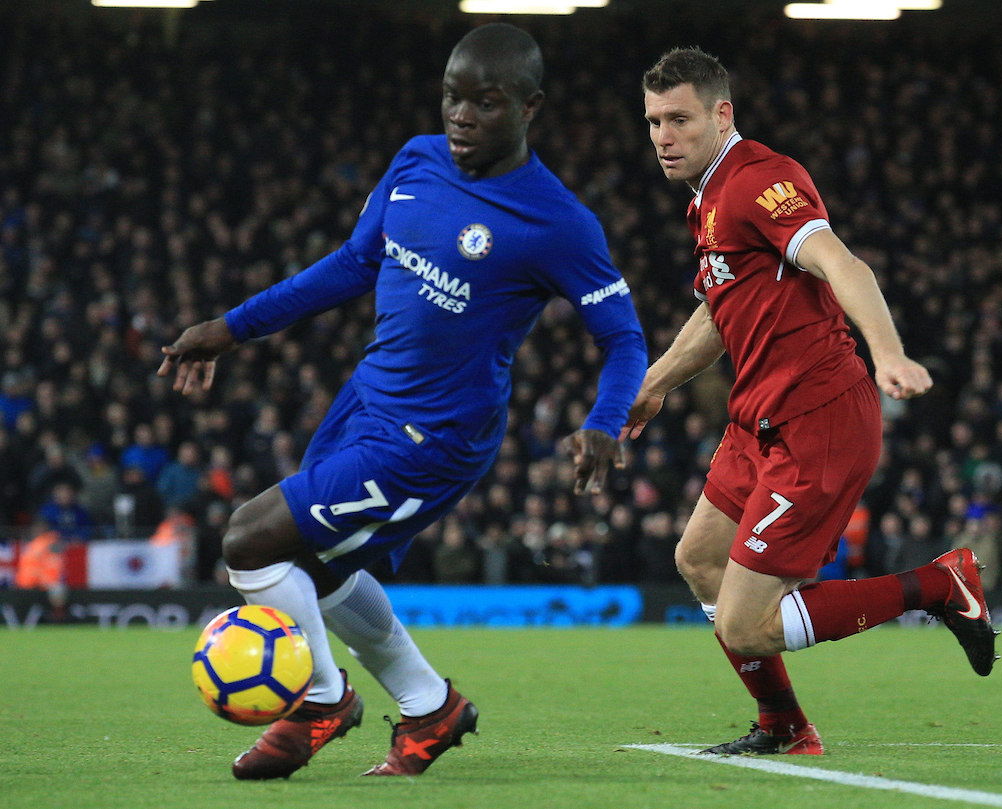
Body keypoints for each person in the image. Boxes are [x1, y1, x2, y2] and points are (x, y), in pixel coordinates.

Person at [159, 24, 645, 780]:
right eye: (453, 96)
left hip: (435, 436)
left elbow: (623, 339)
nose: (462, 115)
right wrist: (232, 327)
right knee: (312, 570)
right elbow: (351, 266)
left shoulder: (558, 222)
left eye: (486, 103)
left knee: (248, 537)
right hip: (366, 401)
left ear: (530, 107)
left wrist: (604, 421)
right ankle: (430, 709)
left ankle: (319, 699)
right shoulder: (416, 161)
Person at [624, 48, 996, 756]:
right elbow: (717, 309)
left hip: (817, 418)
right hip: (758, 419)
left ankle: (939, 584)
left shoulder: (760, 180)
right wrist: (656, 381)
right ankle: (785, 728)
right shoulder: (706, 197)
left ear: (721, 113)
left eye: (679, 119)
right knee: (699, 557)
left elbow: (839, 261)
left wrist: (887, 352)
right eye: (652, 122)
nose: (662, 137)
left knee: (747, 624)